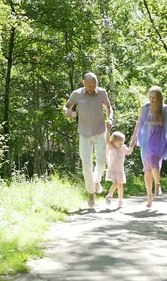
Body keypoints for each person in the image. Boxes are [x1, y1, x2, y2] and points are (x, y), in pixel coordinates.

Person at [64, 72, 114, 208]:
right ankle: (91, 194)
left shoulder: (102, 93)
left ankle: (96, 181)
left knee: (102, 161)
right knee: (86, 165)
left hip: (100, 131)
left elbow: (109, 108)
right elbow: (67, 106)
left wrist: (110, 119)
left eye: (94, 85)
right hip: (84, 133)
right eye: (89, 86)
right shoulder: (77, 94)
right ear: (83, 83)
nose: (92, 88)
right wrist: (68, 112)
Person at [130, 86, 167, 208]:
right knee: (147, 169)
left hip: (159, 140)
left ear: (159, 98)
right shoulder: (145, 108)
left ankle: (158, 184)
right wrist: (134, 139)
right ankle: (149, 195)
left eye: (154, 97)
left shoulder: (164, 109)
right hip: (147, 140)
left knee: (153, 161)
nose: (152, 100)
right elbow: (139, 124)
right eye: (150, 97)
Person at [104, 122, 133, 208]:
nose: (121, 144)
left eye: (122, 142)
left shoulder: (123, 147)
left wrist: (132, 146)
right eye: (119, 143)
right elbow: (107, 140)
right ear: (113, 142)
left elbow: (128, 152)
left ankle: (120, 200)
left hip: (120, 170)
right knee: (115, 183)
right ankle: (109, 195)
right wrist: (108, 130)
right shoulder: (112, 147)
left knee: (120, 185)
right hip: (113, 169)